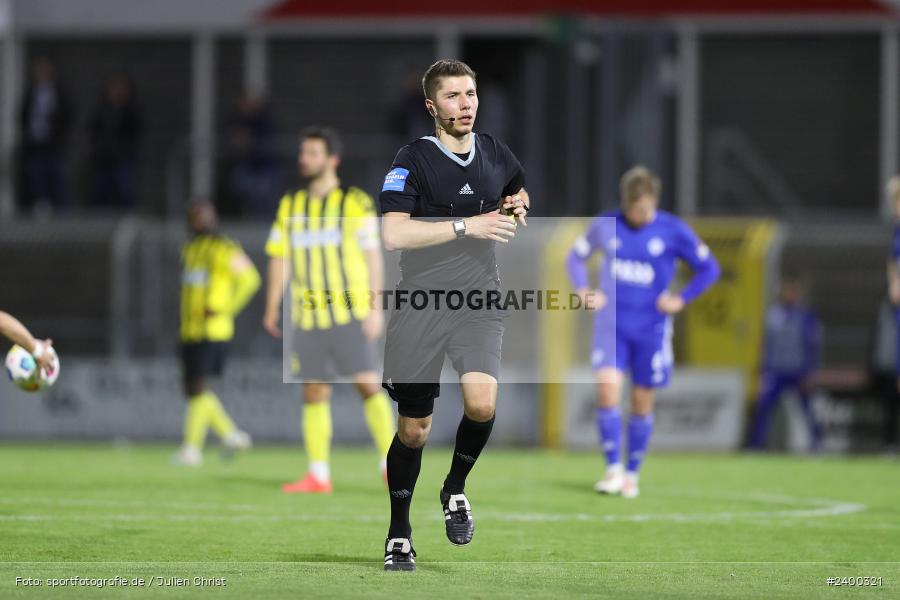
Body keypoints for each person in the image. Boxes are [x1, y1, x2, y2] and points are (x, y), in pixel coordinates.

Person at [378, 59, 529, 571]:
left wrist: (517, 204)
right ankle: (399, 532)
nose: (465, 104)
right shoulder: (412, 159)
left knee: (482, 404)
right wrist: (471, 225)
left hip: (478, 303)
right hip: (421, 306)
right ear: (432, 107)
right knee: (414, 432)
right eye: (453, 97)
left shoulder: (492, 151)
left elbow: (516, 187)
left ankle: (454, 489)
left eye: (470, 94)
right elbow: (394, 233)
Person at [566, 165, 719, 499]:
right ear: (625, 203)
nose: (640, 216)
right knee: (607, 390)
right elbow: (575, 258)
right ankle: (612, 469)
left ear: (655, 202)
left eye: (646, 209)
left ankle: (632, 472)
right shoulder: (607, 225)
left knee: (640, 399)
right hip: (612, 326)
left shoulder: (672, 230)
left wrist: (681, 299)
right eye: (635, 210)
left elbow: (709, 268)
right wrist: (583, 289)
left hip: (651, 329)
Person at [263, 126, 395, 494]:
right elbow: (279, 257)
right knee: (314, 392)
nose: (304, 159)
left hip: (348, 312)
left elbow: (373, 255)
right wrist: (272, 304)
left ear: (331, 159)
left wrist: (375, 306)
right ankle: (318, 474)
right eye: (303, 152)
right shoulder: (291, 205)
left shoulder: (354, 202)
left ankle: (391, 462)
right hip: (308, 316)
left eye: (312, 153)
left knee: (368, 385)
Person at [176, 200, 260, 466]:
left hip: (214, 330)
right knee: (192, 389)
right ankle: (230, 434)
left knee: (199, 386)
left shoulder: (224, 248)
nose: (199, 221)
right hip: (190, 329)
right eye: (195, 216)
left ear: (213, 218)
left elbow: (251, 280)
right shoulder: (190, 249)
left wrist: (225, 308)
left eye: (204, 216)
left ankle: (191, 449)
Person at [747, 272, 823, 451]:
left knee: (808, 409)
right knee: (764, 407)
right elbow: (766, 344)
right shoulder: (773, 315)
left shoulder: (806, 316)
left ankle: (818, 443)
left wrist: (811, 371)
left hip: (798, 370)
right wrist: (763, 371)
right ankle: (756, 445)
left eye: (792, 290)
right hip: (776, 370)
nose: (789, 293)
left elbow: (813, 345)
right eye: (786, 290)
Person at [18, 58, 72, 216]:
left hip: (53, 144)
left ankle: (62, 211)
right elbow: (23, 115)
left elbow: (67, 114)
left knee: (56, 178)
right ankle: (40, 207)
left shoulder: (58, 91)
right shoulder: (31, 92)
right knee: (36, 178)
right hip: (35, 144)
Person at [89, 76, 142, 210]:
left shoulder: (131, 110)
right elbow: (93, 128)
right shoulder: (102, 109)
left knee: (126, 188)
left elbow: (137, 130)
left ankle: (130, 214)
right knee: (101, 189)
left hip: (124, 156)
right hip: (104, 157)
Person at [225, 94, 282, 219]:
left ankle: (265, 220)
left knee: (264, 189)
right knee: (237, 182)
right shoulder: (237, 121)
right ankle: (240, 217)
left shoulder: (265, 122)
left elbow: (268, 146)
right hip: (247, 167)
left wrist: (250, 141)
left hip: (265, 168)